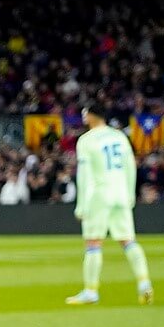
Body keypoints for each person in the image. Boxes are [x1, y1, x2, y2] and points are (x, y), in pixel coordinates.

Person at [65, 102, 154, 305]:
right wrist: (130, 193)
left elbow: (85, 175)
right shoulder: (119, 136)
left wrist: (82, 204)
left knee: (93, 243)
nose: (83, 116)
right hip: (120, 192)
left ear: (92, 116)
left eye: (85, 113)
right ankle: (144, 283)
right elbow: (130, 166)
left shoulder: (86, 140)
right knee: (128, 240)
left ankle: (91, 291)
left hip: (99, 194)